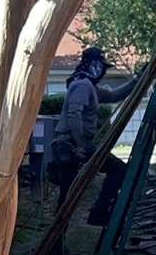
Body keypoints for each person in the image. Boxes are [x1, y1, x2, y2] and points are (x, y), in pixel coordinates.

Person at [48, 46, 134, 234]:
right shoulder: (82, 85)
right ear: (93, 66)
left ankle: (56, 243)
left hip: (71, 145)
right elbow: (74, 115)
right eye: (101, 66)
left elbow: (113, 96)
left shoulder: (90, 87)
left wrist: (136, 80)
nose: (102, 71)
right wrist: (81, 146)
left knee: (67, 197)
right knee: (116, 170)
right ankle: (98, 213)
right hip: (69, 146)